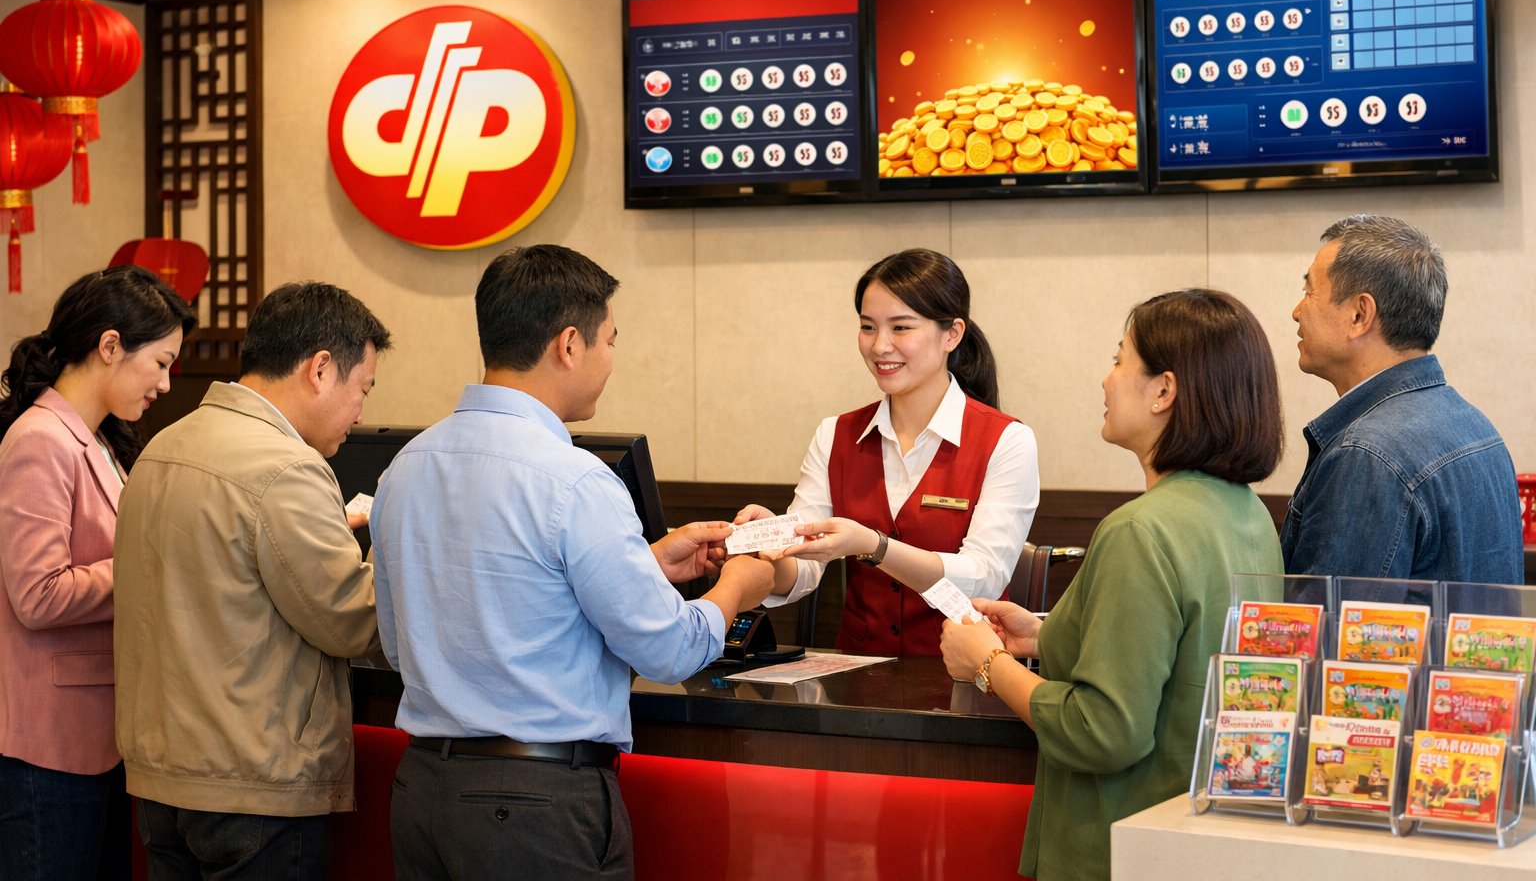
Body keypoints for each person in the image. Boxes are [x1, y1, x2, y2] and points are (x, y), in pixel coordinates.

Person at [369, 244, 775, 881]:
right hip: (536, 804)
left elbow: (400, 644)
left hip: (422, 791)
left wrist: (641, 565)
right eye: (610, 340)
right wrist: (736, 587)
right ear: (568, 345)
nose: (613, 359)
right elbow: (670, 652)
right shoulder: (575, 480)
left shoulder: (405, 467)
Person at [941, 288, 1284, 881]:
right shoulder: (1247, 513)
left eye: (1119, 359)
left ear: (1163, 390)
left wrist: (990, 664)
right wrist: (1045, 637)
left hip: (1119, 847)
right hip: (1204, 841)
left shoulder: (1140, 530)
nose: (1105, 380)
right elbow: (1177, 653)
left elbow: (1103, 731)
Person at [113, 281, 391, 879]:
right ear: (321, 369)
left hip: (161, 776)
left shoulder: (163, 445)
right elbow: (351, 620)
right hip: (252, 785)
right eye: (362, 387)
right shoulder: (285, 466)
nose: (361, 412)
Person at [736, 248, 1039, 655]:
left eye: (901, 328)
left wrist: (874, 545)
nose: (880, 346)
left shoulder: (1007, 441)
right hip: (858, 678)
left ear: (952, 333)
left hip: (968, 678)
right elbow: (804, 570)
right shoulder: (835, 435)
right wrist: (769, 546)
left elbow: (983, 576)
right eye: (867, 327)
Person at [0, 266, 194, 881]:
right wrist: (148, 564)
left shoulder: (101, 441)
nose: (166, 383)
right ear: (109, 347)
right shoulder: (40, 439)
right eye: (160, 363)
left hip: (101, 735)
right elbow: (37, 593)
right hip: (47, 745)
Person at [1283, 214, 1522, 582]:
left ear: (1360, 314)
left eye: (1309, 291)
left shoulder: (1366, 457)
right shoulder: (1475, 425)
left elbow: (1333, 631)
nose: (1297, 311)